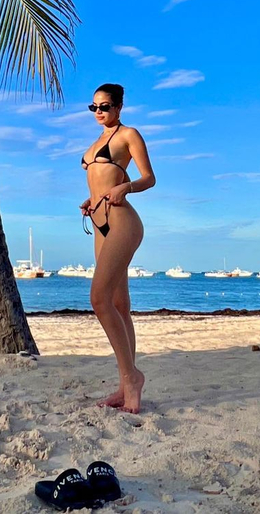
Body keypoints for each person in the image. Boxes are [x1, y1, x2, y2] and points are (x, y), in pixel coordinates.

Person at [80, 83, 155, 413]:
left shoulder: (128, 135)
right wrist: (91, 200)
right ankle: (126, 386)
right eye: (94, 107)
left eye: (105, 106)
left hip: (123, 221)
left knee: (98, 299)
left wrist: (126, 187)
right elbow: (100, 180)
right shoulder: (95, 142)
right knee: (119, 304)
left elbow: (149, 177)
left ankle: (132, 377)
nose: (99, 112)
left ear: (119, 107)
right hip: (99, 222)